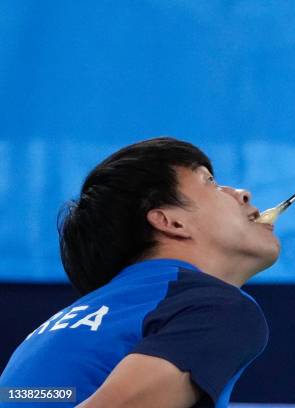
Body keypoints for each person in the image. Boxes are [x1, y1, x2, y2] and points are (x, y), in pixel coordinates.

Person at [0, 137, 280, 407]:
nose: (243, 194)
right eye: (209, 181)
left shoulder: (46, 336)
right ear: (171, 221)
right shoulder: (213, 307)